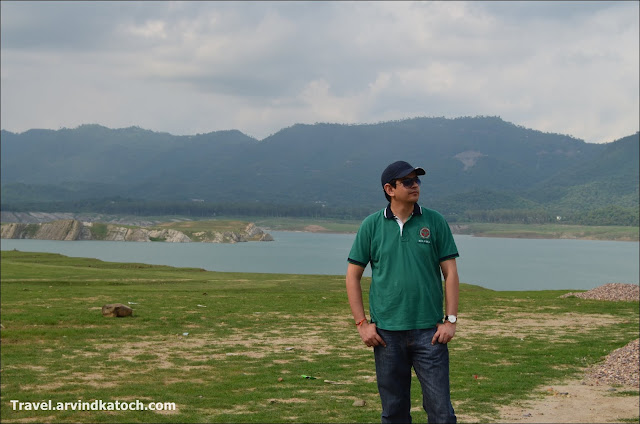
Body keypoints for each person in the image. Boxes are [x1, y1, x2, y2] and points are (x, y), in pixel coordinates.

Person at [346, 160, 460, 424]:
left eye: (417, 180)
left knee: (441, 412)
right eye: (407, 182)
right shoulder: (371, 225)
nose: (415, 186)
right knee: (394, 412)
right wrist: (362, 324)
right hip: (386, 334)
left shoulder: (434, 221)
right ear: (390, 189)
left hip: (429, 334)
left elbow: (450, 273)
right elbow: (353, 276)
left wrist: (450, 320)